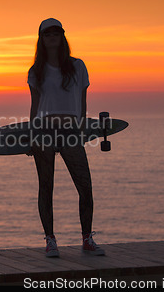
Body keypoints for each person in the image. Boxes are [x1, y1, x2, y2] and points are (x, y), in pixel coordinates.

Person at [27, 18, 105, 257]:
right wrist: (32, 135)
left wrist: (81, 130)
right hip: (44, 132)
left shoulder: (78, 66)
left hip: (71, 132)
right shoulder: (35, 71)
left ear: (62, 36)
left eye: (56, 32)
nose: (52, 36)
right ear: (41, 38)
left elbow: (82, 102)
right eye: (47, 33)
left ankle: (87, 239)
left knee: (85, 187)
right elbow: (35, 105)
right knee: (46, 187)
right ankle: (50, 240)